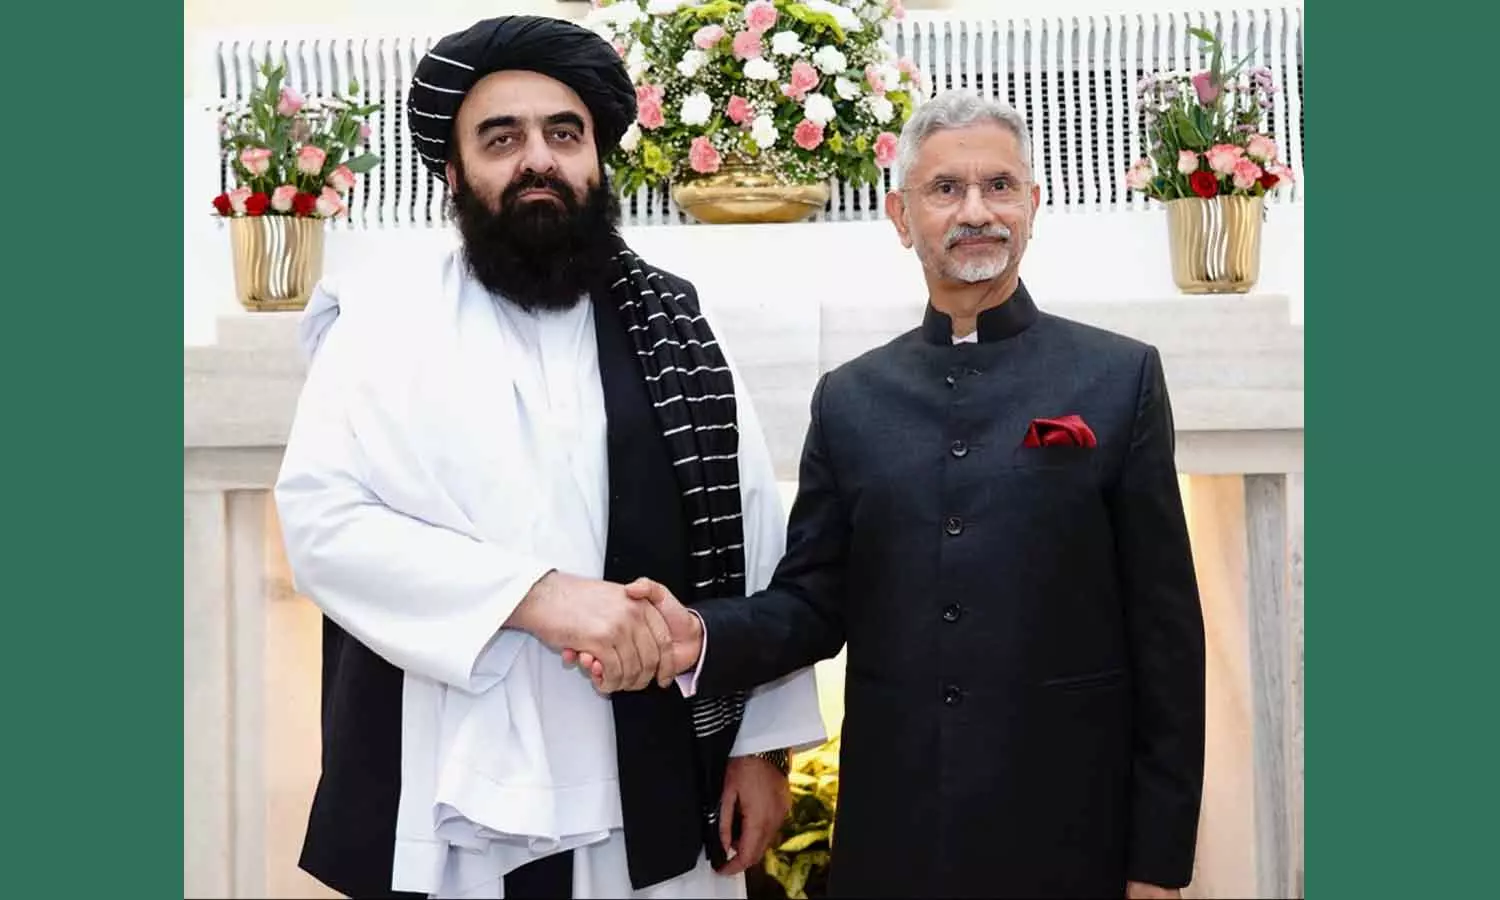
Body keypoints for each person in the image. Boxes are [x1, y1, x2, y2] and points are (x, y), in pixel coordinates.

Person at [589, 90, 1208, 899]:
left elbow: (1167, 636)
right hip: (897, 827)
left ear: (1032, 204)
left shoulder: (1119, 377)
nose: (975, 210)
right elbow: (813, 603)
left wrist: (1157, 863)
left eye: (999, 186)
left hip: (1069, 826)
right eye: (946, 189)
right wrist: (701, 636)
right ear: (901, 216)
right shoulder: (851, 399)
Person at [273, 15, 826, 900]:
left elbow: (752, 531)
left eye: (564, 135)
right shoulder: (383, 323)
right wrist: (539, 599)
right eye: (502, 139)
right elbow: (322, 524)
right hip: (452, 775)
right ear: (454, 175)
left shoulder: (675, 323)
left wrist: (761, 749)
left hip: (650, 765)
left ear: (597, 161)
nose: (539, 159)